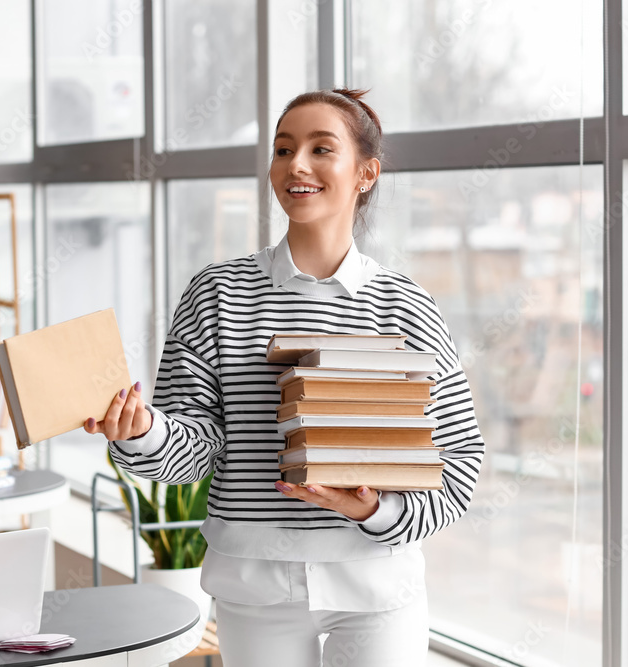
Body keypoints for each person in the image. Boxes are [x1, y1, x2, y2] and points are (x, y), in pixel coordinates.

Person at [86, 88, 485, 666]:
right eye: (283, 149)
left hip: (377, 581)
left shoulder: (406, 305)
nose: (295, 164)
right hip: (255, 581)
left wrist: (373, 510)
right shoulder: (218, 293)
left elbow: (459, 461)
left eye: (322, 149)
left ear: (365, 174)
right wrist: (139, 431)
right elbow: (194, 451)